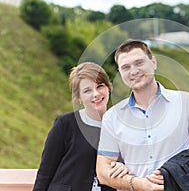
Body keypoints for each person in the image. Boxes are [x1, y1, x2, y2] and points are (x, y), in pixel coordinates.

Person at [96, 40, 189, 190]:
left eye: (139, 62)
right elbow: (102, 171)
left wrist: (170, 176)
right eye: (126, 67)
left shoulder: (187, 103)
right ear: (120, 73)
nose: (134, 71)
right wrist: (138, 183)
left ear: (153, 62)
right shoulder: (112, 117)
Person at [33, 62, 129, 191]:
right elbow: (45, 173)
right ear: (79, 97)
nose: (96, 94)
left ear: (108, 87)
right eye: (87, 90)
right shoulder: (65, 124)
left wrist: (125, 167)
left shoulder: (122, 127)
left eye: (100, 86)